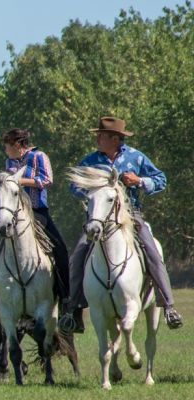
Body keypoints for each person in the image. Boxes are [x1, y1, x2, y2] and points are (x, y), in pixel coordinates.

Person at [60, 117, 182, 333]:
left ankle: (169, 307)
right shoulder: (90, 161)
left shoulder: (136, 157)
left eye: (102, 136)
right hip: (98, 218)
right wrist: (90, 190)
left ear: (116, 139)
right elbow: (73, 186)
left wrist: (139, 181)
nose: (97, 139)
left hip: (131, 216)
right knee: (78, 255)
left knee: (153, 253)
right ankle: (72, 311)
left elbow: (161, 179)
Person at [0, 129, 69, 317]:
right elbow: (5, 194)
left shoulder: (38, 156)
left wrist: (18, 181)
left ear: (17, 144)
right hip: (10, 214)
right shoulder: (9, 162)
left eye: (7, 146)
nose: (5, 150)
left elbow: (48, 180)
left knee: (60, 249)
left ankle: (66, 299)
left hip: (36, 211)